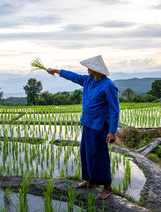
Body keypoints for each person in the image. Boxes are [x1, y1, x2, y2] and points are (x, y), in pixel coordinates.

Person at [46, 55, 119, 200]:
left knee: (100, 156)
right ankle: (90, 181)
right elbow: (73, 76)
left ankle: (107, 187)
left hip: (99, 127)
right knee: (86, 153)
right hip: (87, 124)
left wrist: (112, 131)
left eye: (89, 67)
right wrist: (56, 70)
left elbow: (114, 109)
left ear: (96, 69)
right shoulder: (88, 80)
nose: (87, 70)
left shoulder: (108, 85)